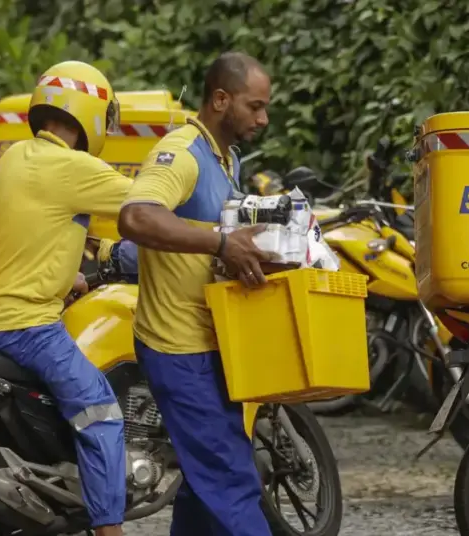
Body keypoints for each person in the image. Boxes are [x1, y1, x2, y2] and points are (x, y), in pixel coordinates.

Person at [117, 51, 275, 536]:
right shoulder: (182, 153)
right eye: (254, 106)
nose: (263, 118)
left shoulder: (226, 158)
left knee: (207, 480)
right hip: (177, 347)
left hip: (213, 343)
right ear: (221, 99)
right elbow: (136, 217)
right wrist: (222, 243)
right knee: (231, 479)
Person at [0, 60, 130, 536]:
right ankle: (109, 529)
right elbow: (149, 204)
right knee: (101, 413)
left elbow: (36, 233)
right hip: (26, 323)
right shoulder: (72, 167)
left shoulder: (17, 156)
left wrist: (71, 278)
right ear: (92, 112)